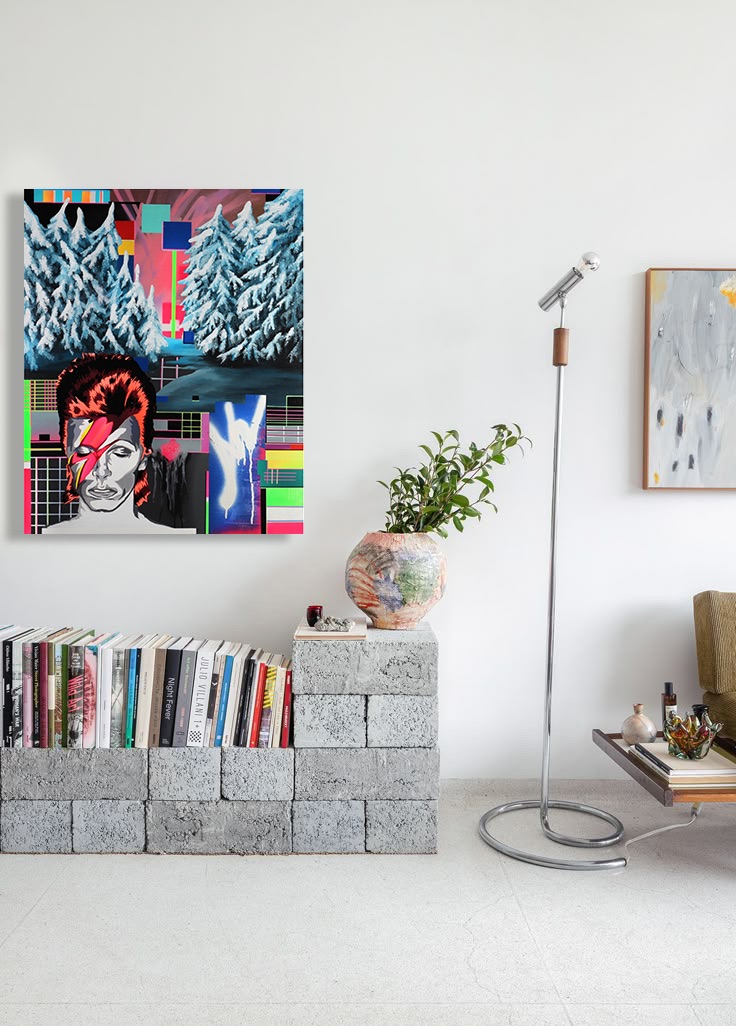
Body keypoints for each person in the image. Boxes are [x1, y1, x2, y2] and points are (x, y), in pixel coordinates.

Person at [43, 353, 194, 534]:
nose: (101, 472)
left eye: (120, 453)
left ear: (143, 457)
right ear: (66, 452)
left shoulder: (175, 541)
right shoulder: (43, 539)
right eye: (84, 453)